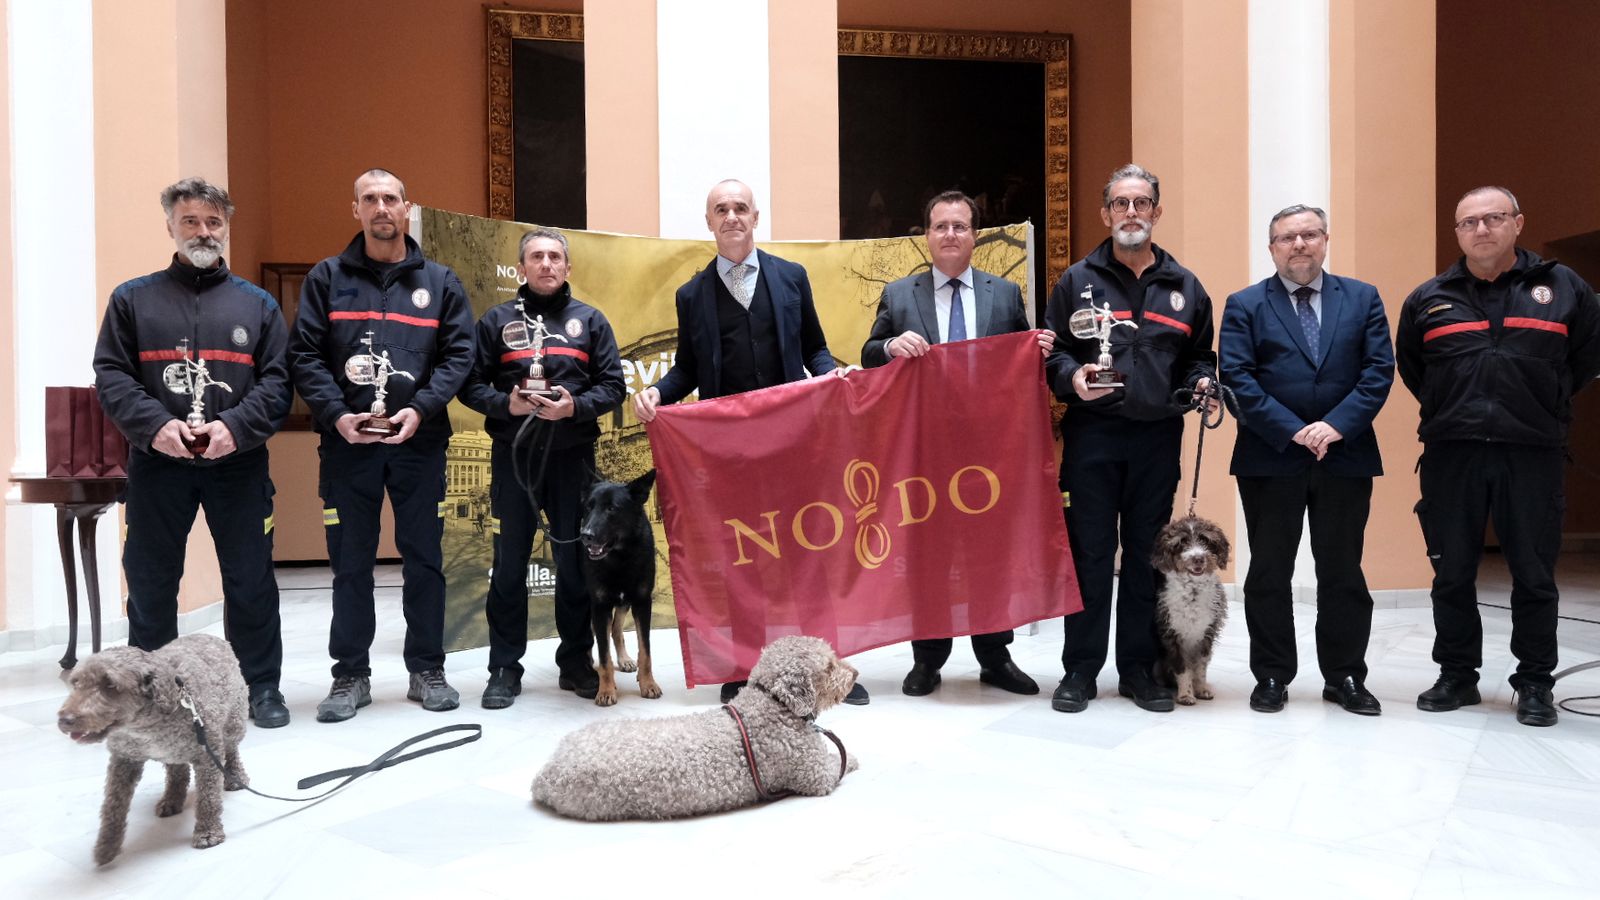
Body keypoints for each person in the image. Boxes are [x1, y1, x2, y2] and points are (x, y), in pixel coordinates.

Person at [631, 178, 865, 706]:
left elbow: (816, 350)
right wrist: (655, 393)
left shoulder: (791, 277)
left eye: (740, 207)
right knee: (742, 561)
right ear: (709, 222)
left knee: (809, 557)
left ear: (756, 217)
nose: (731, 216)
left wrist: (833, 377)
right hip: (730, 455)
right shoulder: (691, 295)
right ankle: (746, 668)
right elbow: (688, 369)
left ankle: (828, 671)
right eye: (721, 209)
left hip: (793, 445)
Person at [1396, 186, 1600, 728]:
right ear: (1457, 232)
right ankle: (1457, 676)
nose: (1481, 230)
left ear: (1517, 223)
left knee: (1534, 575)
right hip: (1451, 453)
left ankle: (1534, 682)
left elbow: (1584, 359)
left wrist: (1539, 404)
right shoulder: (1429, 297)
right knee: (1452, 573)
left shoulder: (1563, 288)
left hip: (1531, 453)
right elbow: (1415, 369)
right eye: (1469, 223)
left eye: (1493, 219)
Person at [92, 177, 292, 728]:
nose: (203, 232)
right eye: (191, 222)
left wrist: (236, 426)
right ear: (171, 227)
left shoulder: (258, 305)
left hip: (239, 465)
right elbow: (110, 373)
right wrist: (154, 426)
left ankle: (261, 687)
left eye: (213, 223)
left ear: (226, 228)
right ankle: (149, 691)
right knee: (152, 579)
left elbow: (278, 382)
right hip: (159, 465)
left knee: (251, 580)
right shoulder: (133, 299)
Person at [288, 168, 475, 722]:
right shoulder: (326, 278)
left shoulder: (440, 282)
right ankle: (349, 676)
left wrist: (420, 408)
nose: (381, 208)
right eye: (369, 199)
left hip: (420, 445)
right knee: (350, 565)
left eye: (390, 198)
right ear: (356, 210)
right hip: (349, 447)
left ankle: (427, 670)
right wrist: (339, 415)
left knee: (425, 561)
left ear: (406, 207)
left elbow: (458, 355)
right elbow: (304, 356)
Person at [860, 189, 1053, 698]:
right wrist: (888, 345)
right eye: (941, 226)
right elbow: (867, 355)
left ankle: (995, 656)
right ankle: (929, 659)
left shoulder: (1005, 294)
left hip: (990, 453)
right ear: (926, 235)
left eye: (960, 226)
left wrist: (1040, 348)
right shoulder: (900, 295)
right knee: (930, 557)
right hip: (923, 452)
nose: (950, 234)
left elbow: (1021, 363)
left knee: (990, 554)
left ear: (975, 235)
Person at [1043, 163, 1217, 714]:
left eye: (1142, 203)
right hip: (1092, 439)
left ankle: (1139, 670)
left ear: (1157, 213)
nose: (1131, 213)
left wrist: (1202, 383)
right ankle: (1080, 670)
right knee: (1089, 556)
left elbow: (1198, 359)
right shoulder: (1076, 280)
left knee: (1147, 559)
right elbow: (1053, 356)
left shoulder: (1186, 288)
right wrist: (1072, 378)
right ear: (1106, 214)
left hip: (1157, 440)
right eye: (1121, 204)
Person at [1219, 204, 1394, 716]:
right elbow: (1238, 376)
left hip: (1346, 455)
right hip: (1270, 457)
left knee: (1342, 571)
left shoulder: (1362, 298)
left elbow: (1379, 371)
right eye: (1287, 237)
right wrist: (1294, 430)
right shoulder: (1245, 304)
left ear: (1325, 240)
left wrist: (1335, 425)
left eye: (1309, 234)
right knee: (1269, 572)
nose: (1299, 244)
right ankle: (1272, 674)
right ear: (1271, 247)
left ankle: (1344, 677)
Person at [460, 228, 624, 708]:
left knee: (575, 567)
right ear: (522, 268)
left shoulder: (590, 321)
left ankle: (575, 663)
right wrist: (506, 405)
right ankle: (504, 670)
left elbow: (613, 386)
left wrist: (574, 406)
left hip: (574, 461)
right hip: (515, 460)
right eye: (537, 257)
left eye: (555, 257)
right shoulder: (495, 322)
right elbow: (469, 385)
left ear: (567, 268)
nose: (547, 264)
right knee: (508, 567)